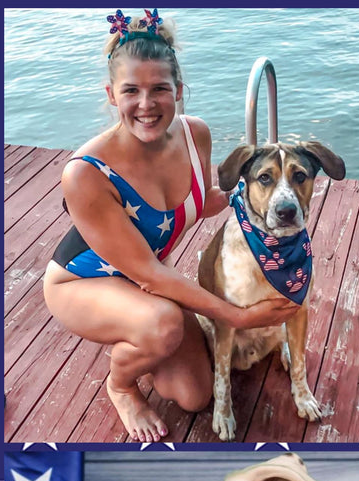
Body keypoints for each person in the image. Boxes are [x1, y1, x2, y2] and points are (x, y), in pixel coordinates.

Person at [42, 9, 299, 441]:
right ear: (111, 94)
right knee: (163, 324)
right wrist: (240, 316)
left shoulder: (194, 133)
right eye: (131, 91)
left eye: (160, 89)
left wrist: (265, 202)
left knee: (194, 396)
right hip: (82, 284)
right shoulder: (85, 173)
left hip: (146, 283)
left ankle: (140, 335)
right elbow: (151, 273)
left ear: (179, 91)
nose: (147, 104)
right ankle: (120, 385)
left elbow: (207, 200)